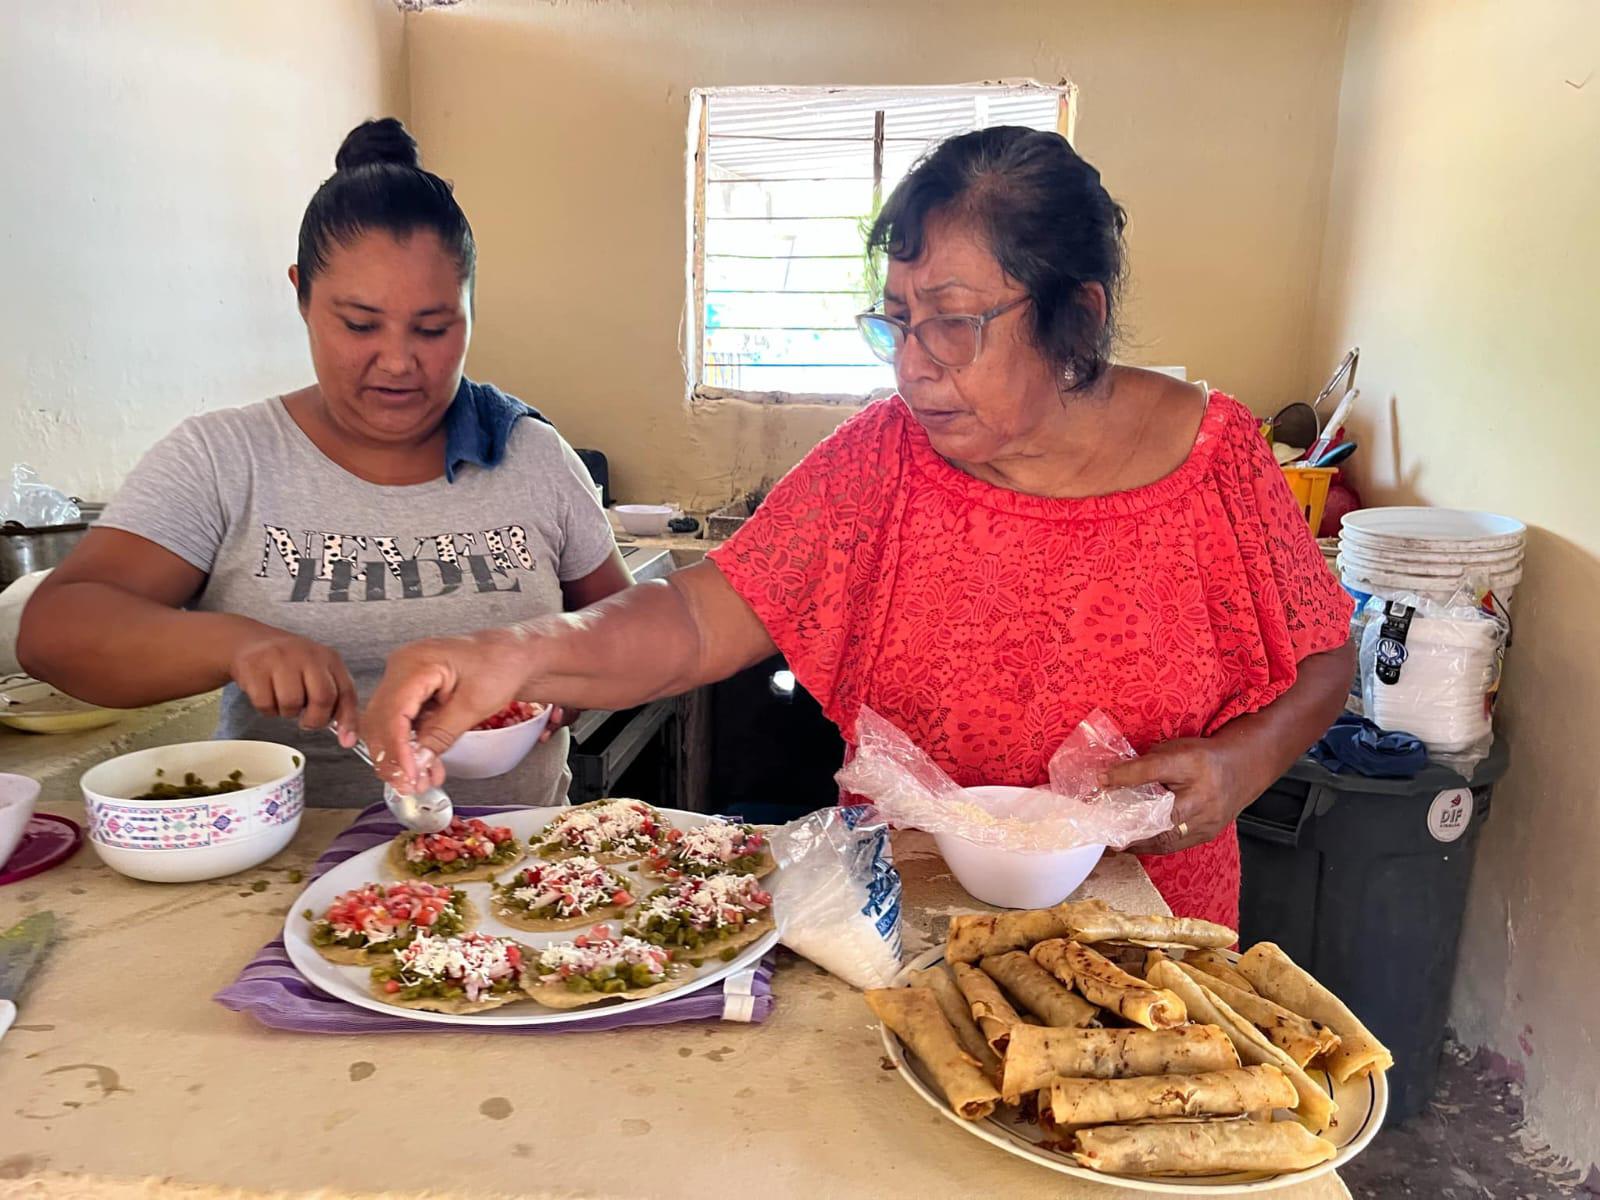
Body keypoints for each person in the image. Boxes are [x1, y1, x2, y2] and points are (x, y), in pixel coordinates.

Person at [358, 127, 1354, 926]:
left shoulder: (1212, 458)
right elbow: (699, 623)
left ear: (1075, 319)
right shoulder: (883, 459)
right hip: (897, 923)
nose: (911, 364)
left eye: (952, 322)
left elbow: (1320, 659)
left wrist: (1242, 762)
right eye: (894, 320)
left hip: (1148, 929)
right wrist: (517, 653)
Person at [17, 117, 629, 807]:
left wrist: (565, 669)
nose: (398, 361)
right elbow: (54, 633)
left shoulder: (530, 456)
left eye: (433, 328)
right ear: (302, 294)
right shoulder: (224, 461)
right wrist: (236, 645)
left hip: (524, 877)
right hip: (286, 875)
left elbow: (625, 628)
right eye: (360, 324)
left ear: (472, 310)